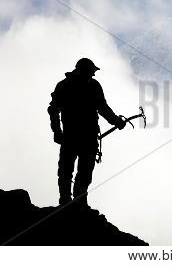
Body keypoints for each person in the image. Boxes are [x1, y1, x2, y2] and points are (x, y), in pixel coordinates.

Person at [48, 58, 126, 207]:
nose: (93, 75)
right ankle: (69, 201)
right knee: (70, 170)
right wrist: (57, 131)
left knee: (80, 170)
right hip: (75, 136)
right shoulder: (75, 86)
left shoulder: (76, 85)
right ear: (83, 70)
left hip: (82, 137)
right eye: (91, 72)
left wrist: (116, 121)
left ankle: (77, 201)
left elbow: (103, 108)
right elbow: (54, 109)